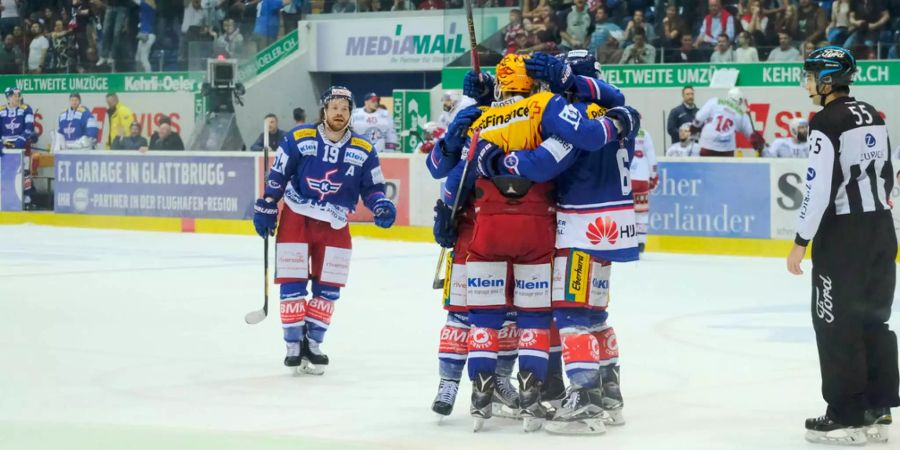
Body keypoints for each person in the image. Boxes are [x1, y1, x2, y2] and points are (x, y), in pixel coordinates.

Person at [447, 52, 637, 432]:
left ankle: (584, 397)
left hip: (582, 226)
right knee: (596, 314)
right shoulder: (619, 113)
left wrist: (497, 161)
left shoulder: (575, 118)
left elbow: (539, 165)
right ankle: (609, 391)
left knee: (567, 313)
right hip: (613, 226)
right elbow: (614, 104)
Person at [786, 46, 899, 446]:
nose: (807, 83)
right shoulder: (873, 114)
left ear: (828, 80)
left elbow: (818, 189)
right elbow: (885, 176)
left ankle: (845, 415)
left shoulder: (825, 121)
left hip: (844, 239)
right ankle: (878, 407)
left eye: (811, 75)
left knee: (835, 324)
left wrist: (801, 242)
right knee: (874, 320)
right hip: (881, 232)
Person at [252, 86, 397, 375]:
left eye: (345, 109)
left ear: (350, 112)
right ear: (324, 110)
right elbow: (279, 175)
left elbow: (373, 188)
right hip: (297, 217)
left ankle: (314, 342)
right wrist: (268, 203)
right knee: (292, 284)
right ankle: (293, 345)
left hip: (336, 223)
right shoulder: (299, 138)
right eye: (334, 108)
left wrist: (380, 204)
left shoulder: (364, 148)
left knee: (329, 289)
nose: (339, 113)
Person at [691, 87, 764, 157]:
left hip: (707, 145)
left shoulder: (714, 101)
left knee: (704, 169)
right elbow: (752, 136)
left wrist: (693, 129)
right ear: (740, 100)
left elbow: (698, 118)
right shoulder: (741, 114)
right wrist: (760, 147)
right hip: (726, 150)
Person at [630, 127, 658, 253]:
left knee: (625, 211)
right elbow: (651, 155)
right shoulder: (644, 133)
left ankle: (627, 241)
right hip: (642, 177)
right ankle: (641, 241)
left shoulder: (622, 131)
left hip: (626, 178)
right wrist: (653, 176)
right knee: (641, 212)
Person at [97, 0, 129, 68]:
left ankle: (112, 56)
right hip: (110, 6)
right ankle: (103, 56)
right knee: (105, 31)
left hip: (122, 7)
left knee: (116, 33)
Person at [135, 0, 157, 72]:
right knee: (138, 58)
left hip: (148, 35)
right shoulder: (150, 7)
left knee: (143, 58)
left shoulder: (146, 5)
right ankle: (139, 76)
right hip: (145, 34)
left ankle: (148, 76)